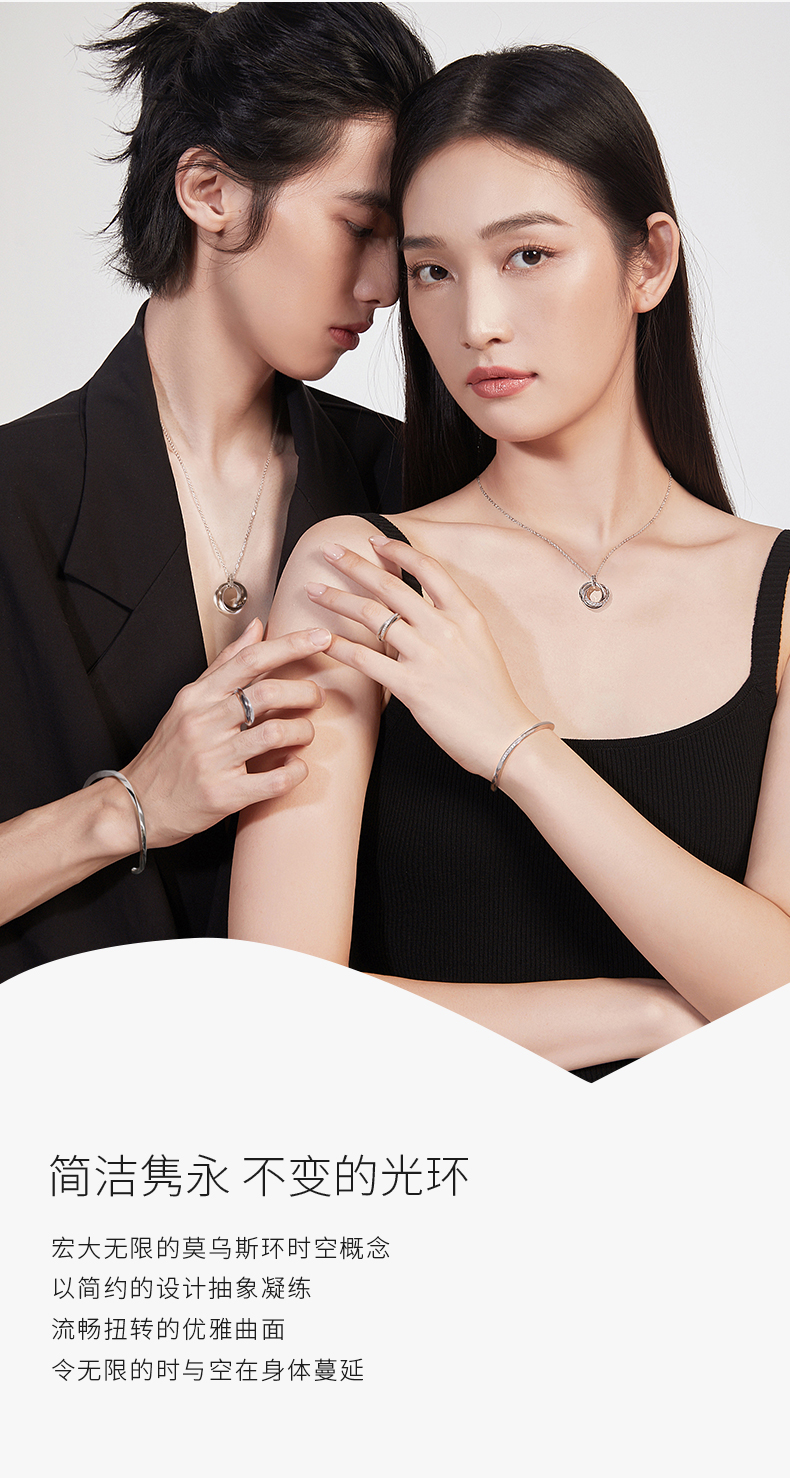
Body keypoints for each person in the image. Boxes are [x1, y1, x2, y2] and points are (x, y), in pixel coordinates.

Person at [229, 44, 790, 1080]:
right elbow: (276, 1016)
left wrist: (514, 746)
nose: (476, 322)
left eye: (527, 254)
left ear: (648, 262)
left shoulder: (781, 595)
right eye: (433, 271)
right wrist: (657, 1017)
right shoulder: (362, 575)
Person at [0, 1, 433, 983]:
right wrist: (126, 806)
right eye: (359, 225)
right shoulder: (16, 501)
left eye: (402, 242)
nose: (386, 284)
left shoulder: (412, 489)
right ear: (210, 190)